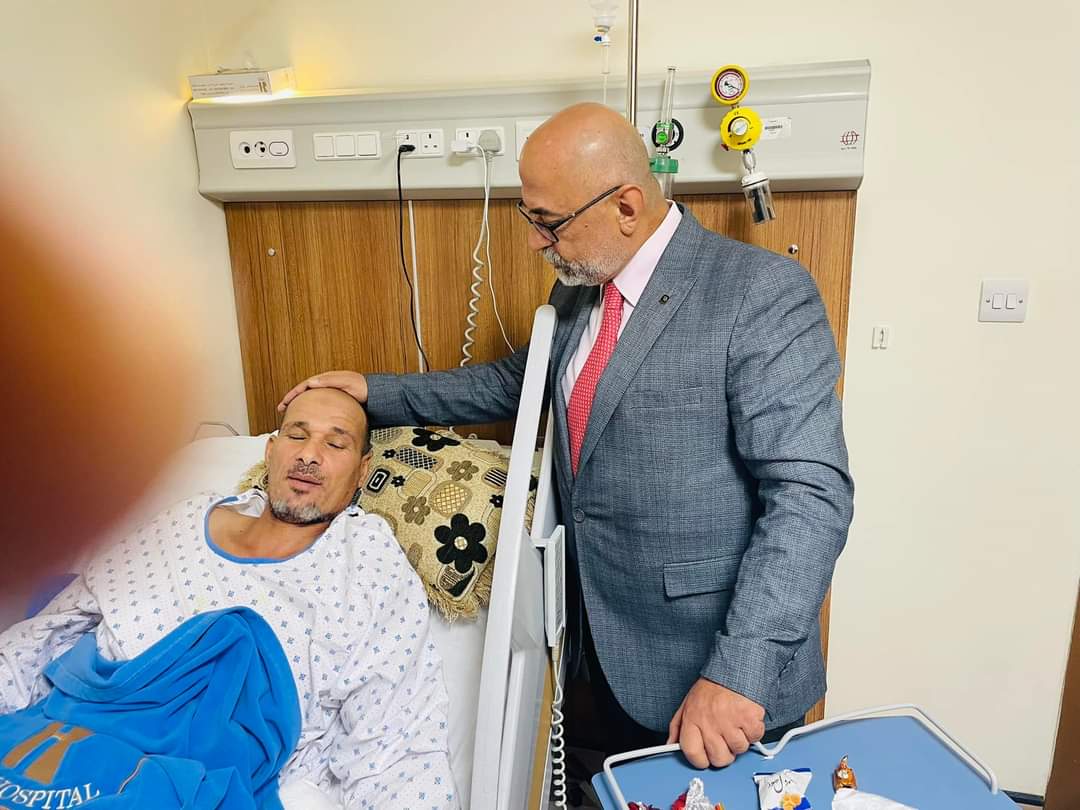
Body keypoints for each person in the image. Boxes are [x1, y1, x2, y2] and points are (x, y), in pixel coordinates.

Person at [278, 102, 855, 770]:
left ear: (626, 207)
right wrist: (372, 391)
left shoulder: (757, 293)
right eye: (529, 218)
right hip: (602, 645)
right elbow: (512, 383)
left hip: (716, 670)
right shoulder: (580, 294)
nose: (535, 242)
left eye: (548, 222)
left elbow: (811, 497)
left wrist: (737, 674)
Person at [0, 388, 458, 809]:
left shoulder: (365, 561)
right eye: (296, 435)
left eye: (335, 444)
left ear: (362, 471)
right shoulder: (183, 519)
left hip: (190, 779)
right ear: (271, 451)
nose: (309, 455)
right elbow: (53, 627)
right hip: (64, 734)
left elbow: (397, 740)